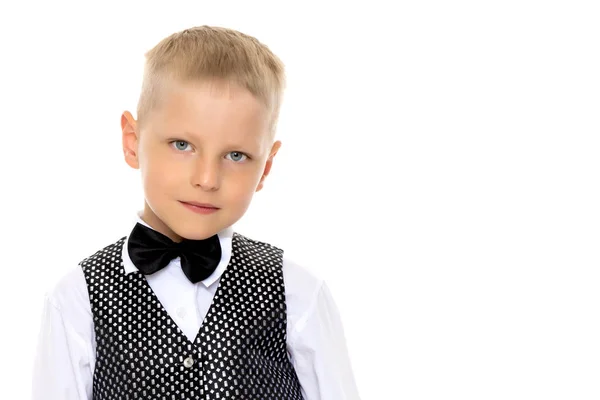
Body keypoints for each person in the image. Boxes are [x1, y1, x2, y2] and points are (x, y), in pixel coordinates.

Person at [32, 25, 361, 399]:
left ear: (265, 168)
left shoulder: (297, 292)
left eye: (236, 155)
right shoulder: (76, 299)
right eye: (182, 144)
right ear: (132, 143)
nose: (207, 179)